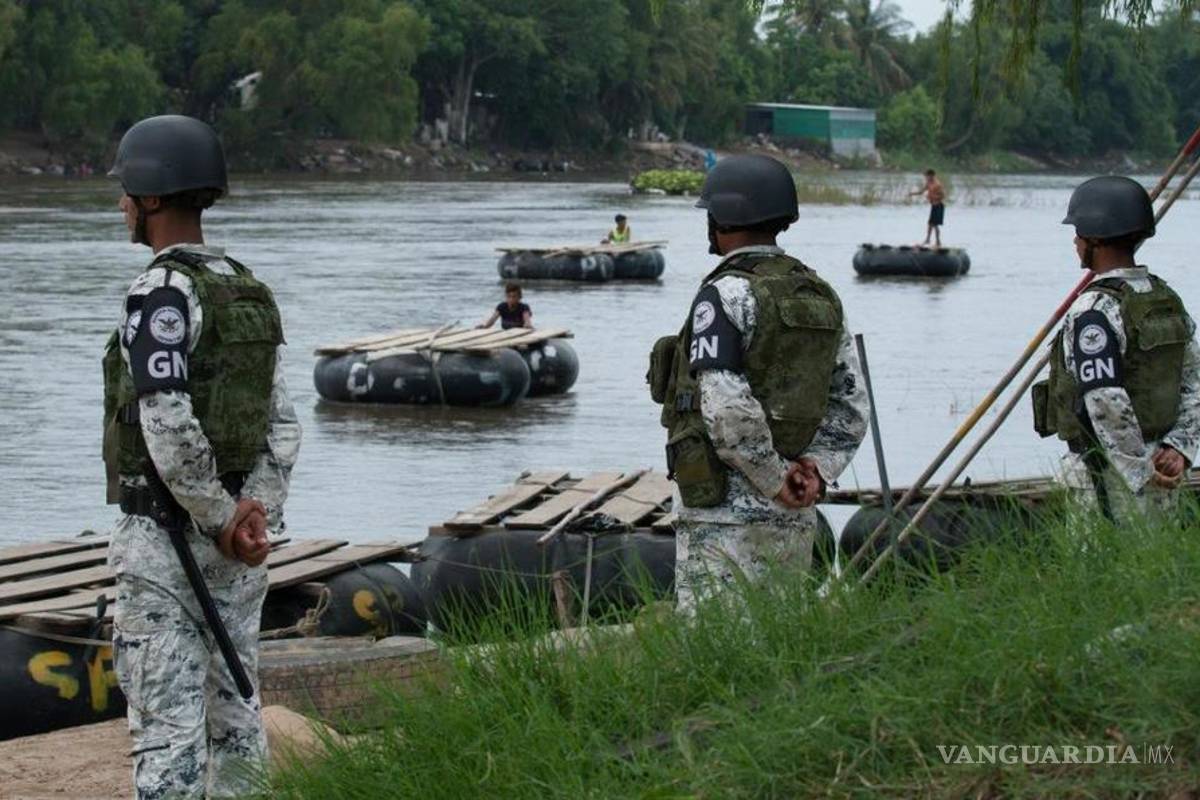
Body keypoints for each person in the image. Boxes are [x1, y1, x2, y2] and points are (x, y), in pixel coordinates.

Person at [103, 115, 301, 799]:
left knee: (166, 733)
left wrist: (218, 516)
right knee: (238, 720)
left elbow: (165, 420)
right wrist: (254, 519)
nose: (123, 205)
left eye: (128, 191)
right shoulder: (249, 291)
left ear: (153, 198)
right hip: (242, 553)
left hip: (165, 545)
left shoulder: (160, 292)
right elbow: (283, 424)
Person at [648, 154, 868, 612]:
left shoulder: (724, 294)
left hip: (723, 513)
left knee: (715, 645)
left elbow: (724, 403)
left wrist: (772, 477)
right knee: (779, 637)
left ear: (723, 218)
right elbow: (850, 403)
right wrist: (816, 471)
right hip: (796, 509)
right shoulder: (820, 294)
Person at [1033, 175, 1200, 523]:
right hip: (1163, 465)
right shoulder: (1166, 299)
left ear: (1096, 237)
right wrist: (1180, 448)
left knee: (1096, 569)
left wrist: (1138, 471)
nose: (1075, 240)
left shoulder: (1093, 310)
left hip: (1107, 477)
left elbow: (1105, 397)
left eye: (1078, 231)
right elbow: (1194, 380)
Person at [909, 169, 946, 247]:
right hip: (933, 206)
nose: (926, 177)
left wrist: (932, 196)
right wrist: (912, 194)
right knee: (930, 223)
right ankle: (928, 239)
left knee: (934, 224)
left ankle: (937, 241)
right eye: (926, 176)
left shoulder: (937, 184)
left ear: (932, 176)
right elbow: (921, 192)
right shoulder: (928, 183)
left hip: (939, 205)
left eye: (927, 176)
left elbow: (943, 196)